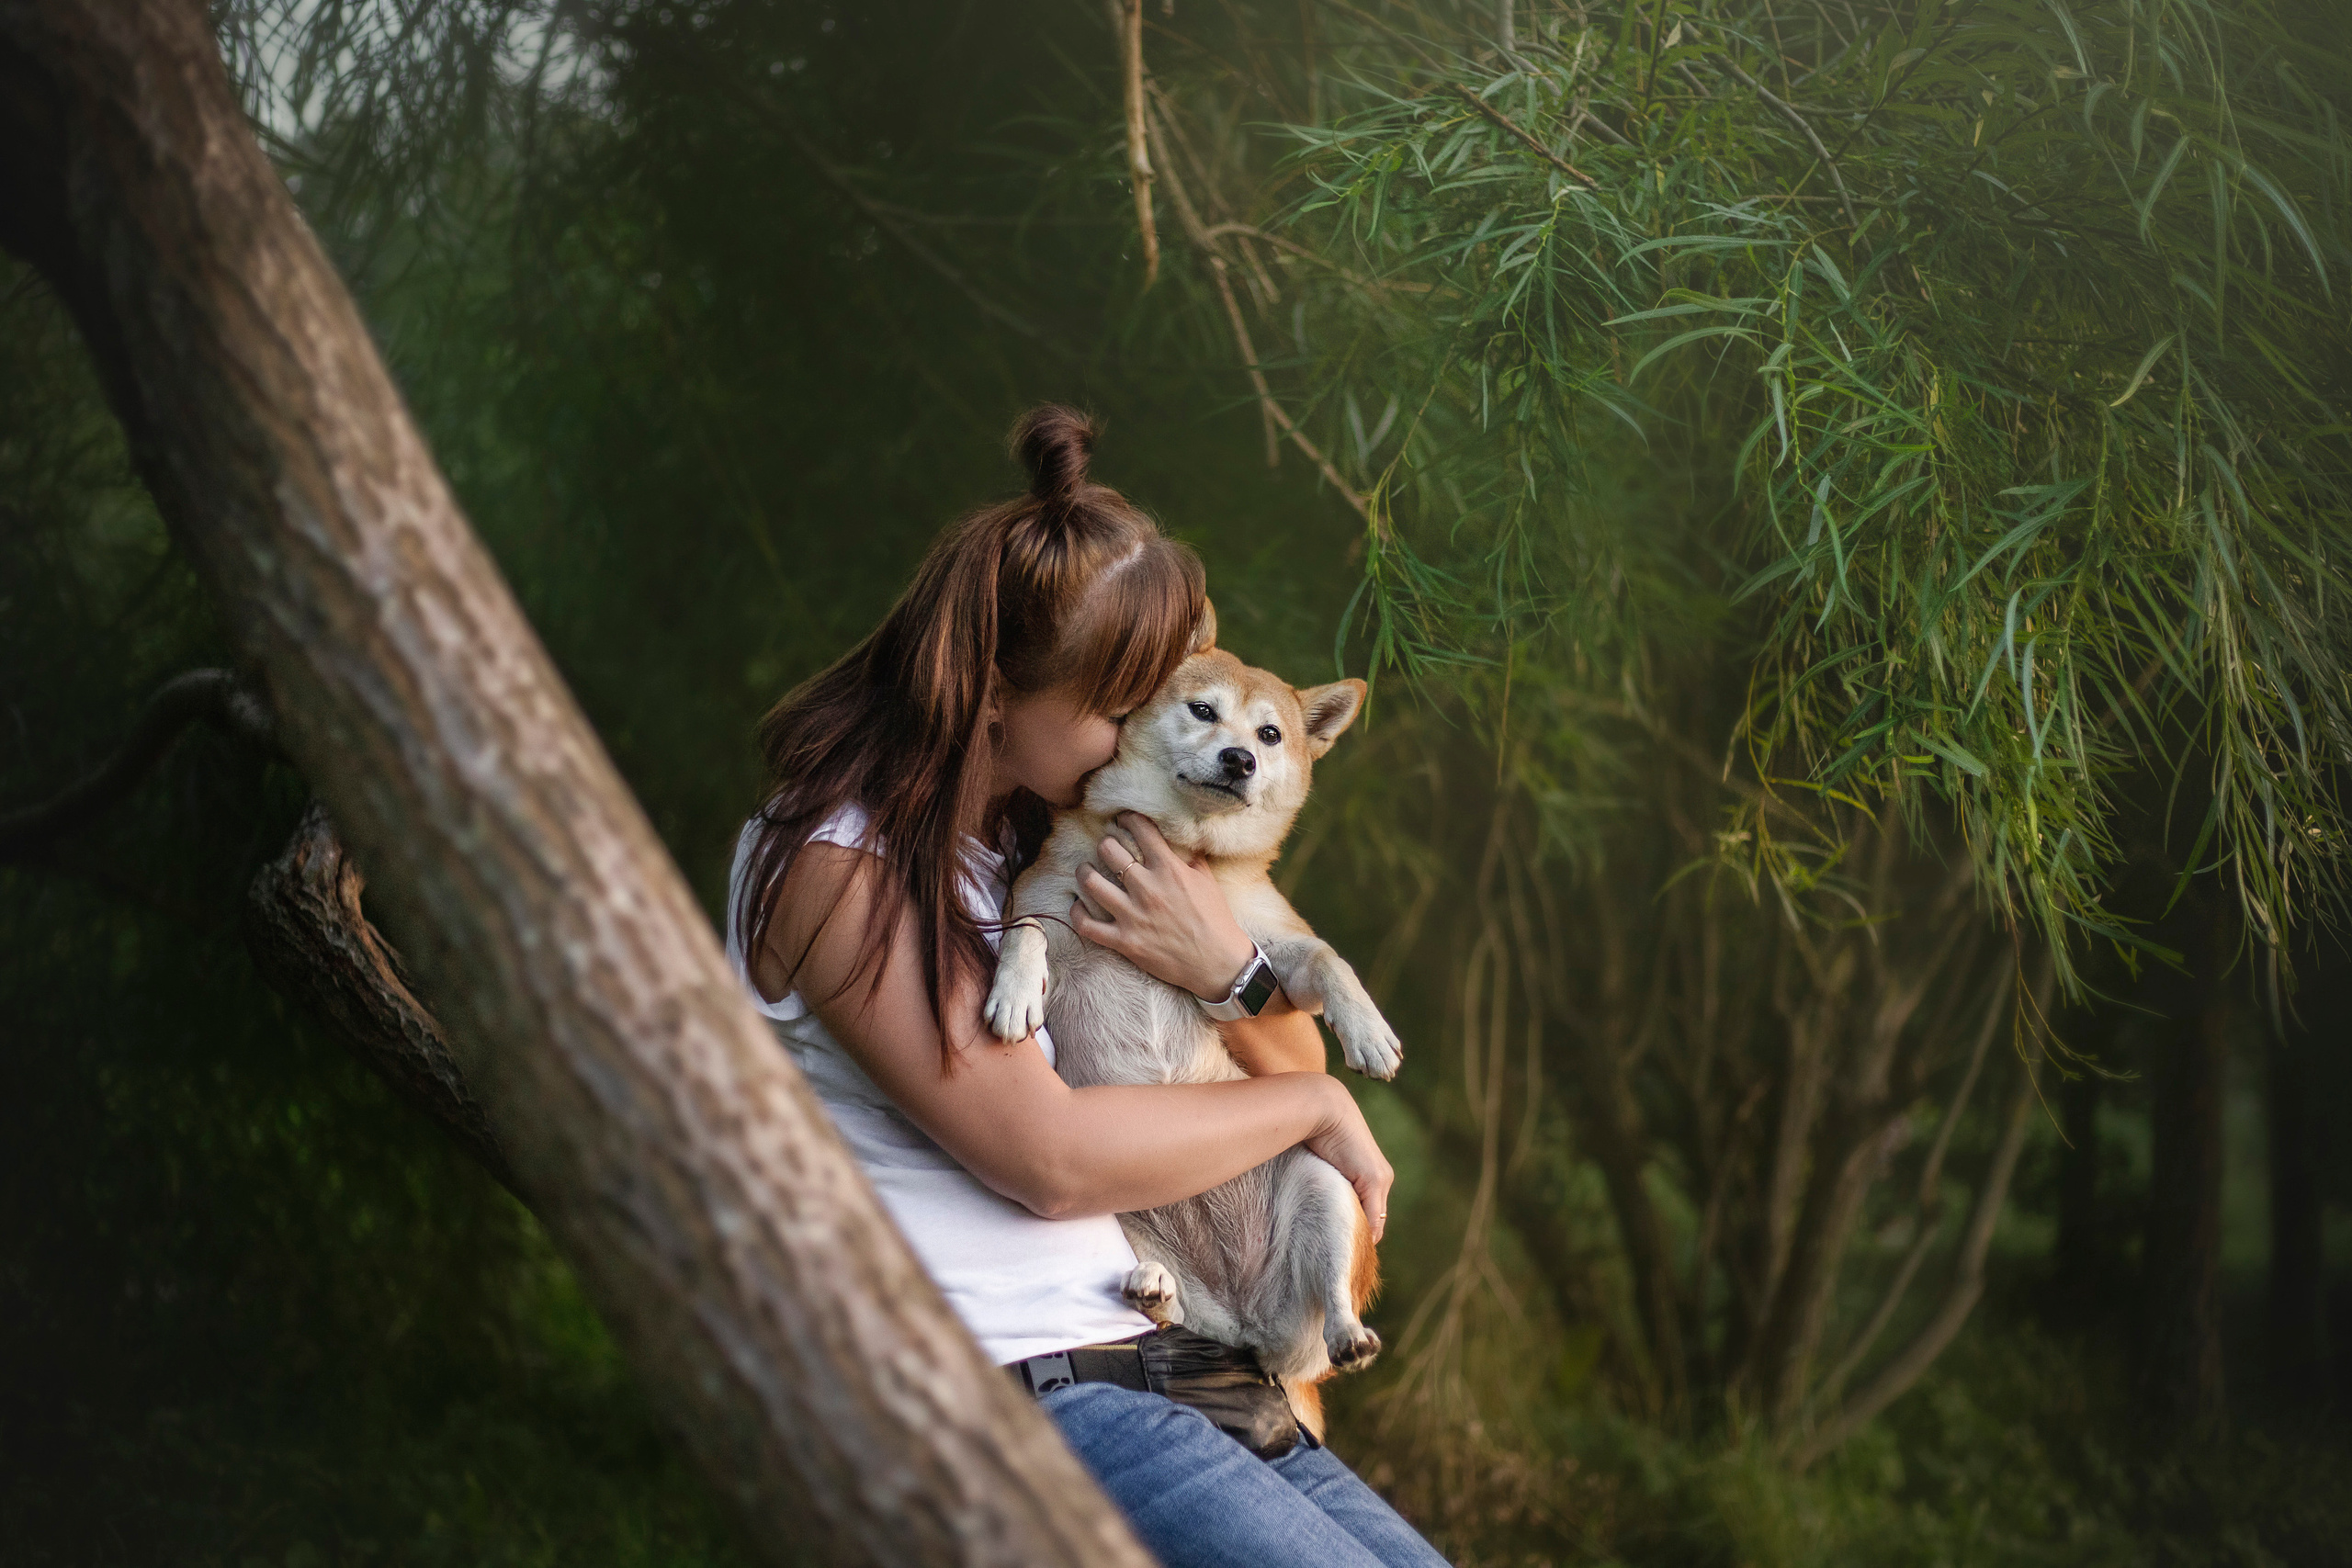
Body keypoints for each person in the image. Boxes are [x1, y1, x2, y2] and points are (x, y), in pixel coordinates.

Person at [726, 406, 1447, 1568]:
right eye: (1123, 708)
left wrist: (1228, 968)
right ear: (998, 694)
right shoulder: (831, 858)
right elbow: (1047, 1160)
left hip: (1182, 1357)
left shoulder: (1028, 839)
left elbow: (1291, 1055)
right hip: (1026, 1385)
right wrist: (1320, 1115)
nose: (1139, 739)